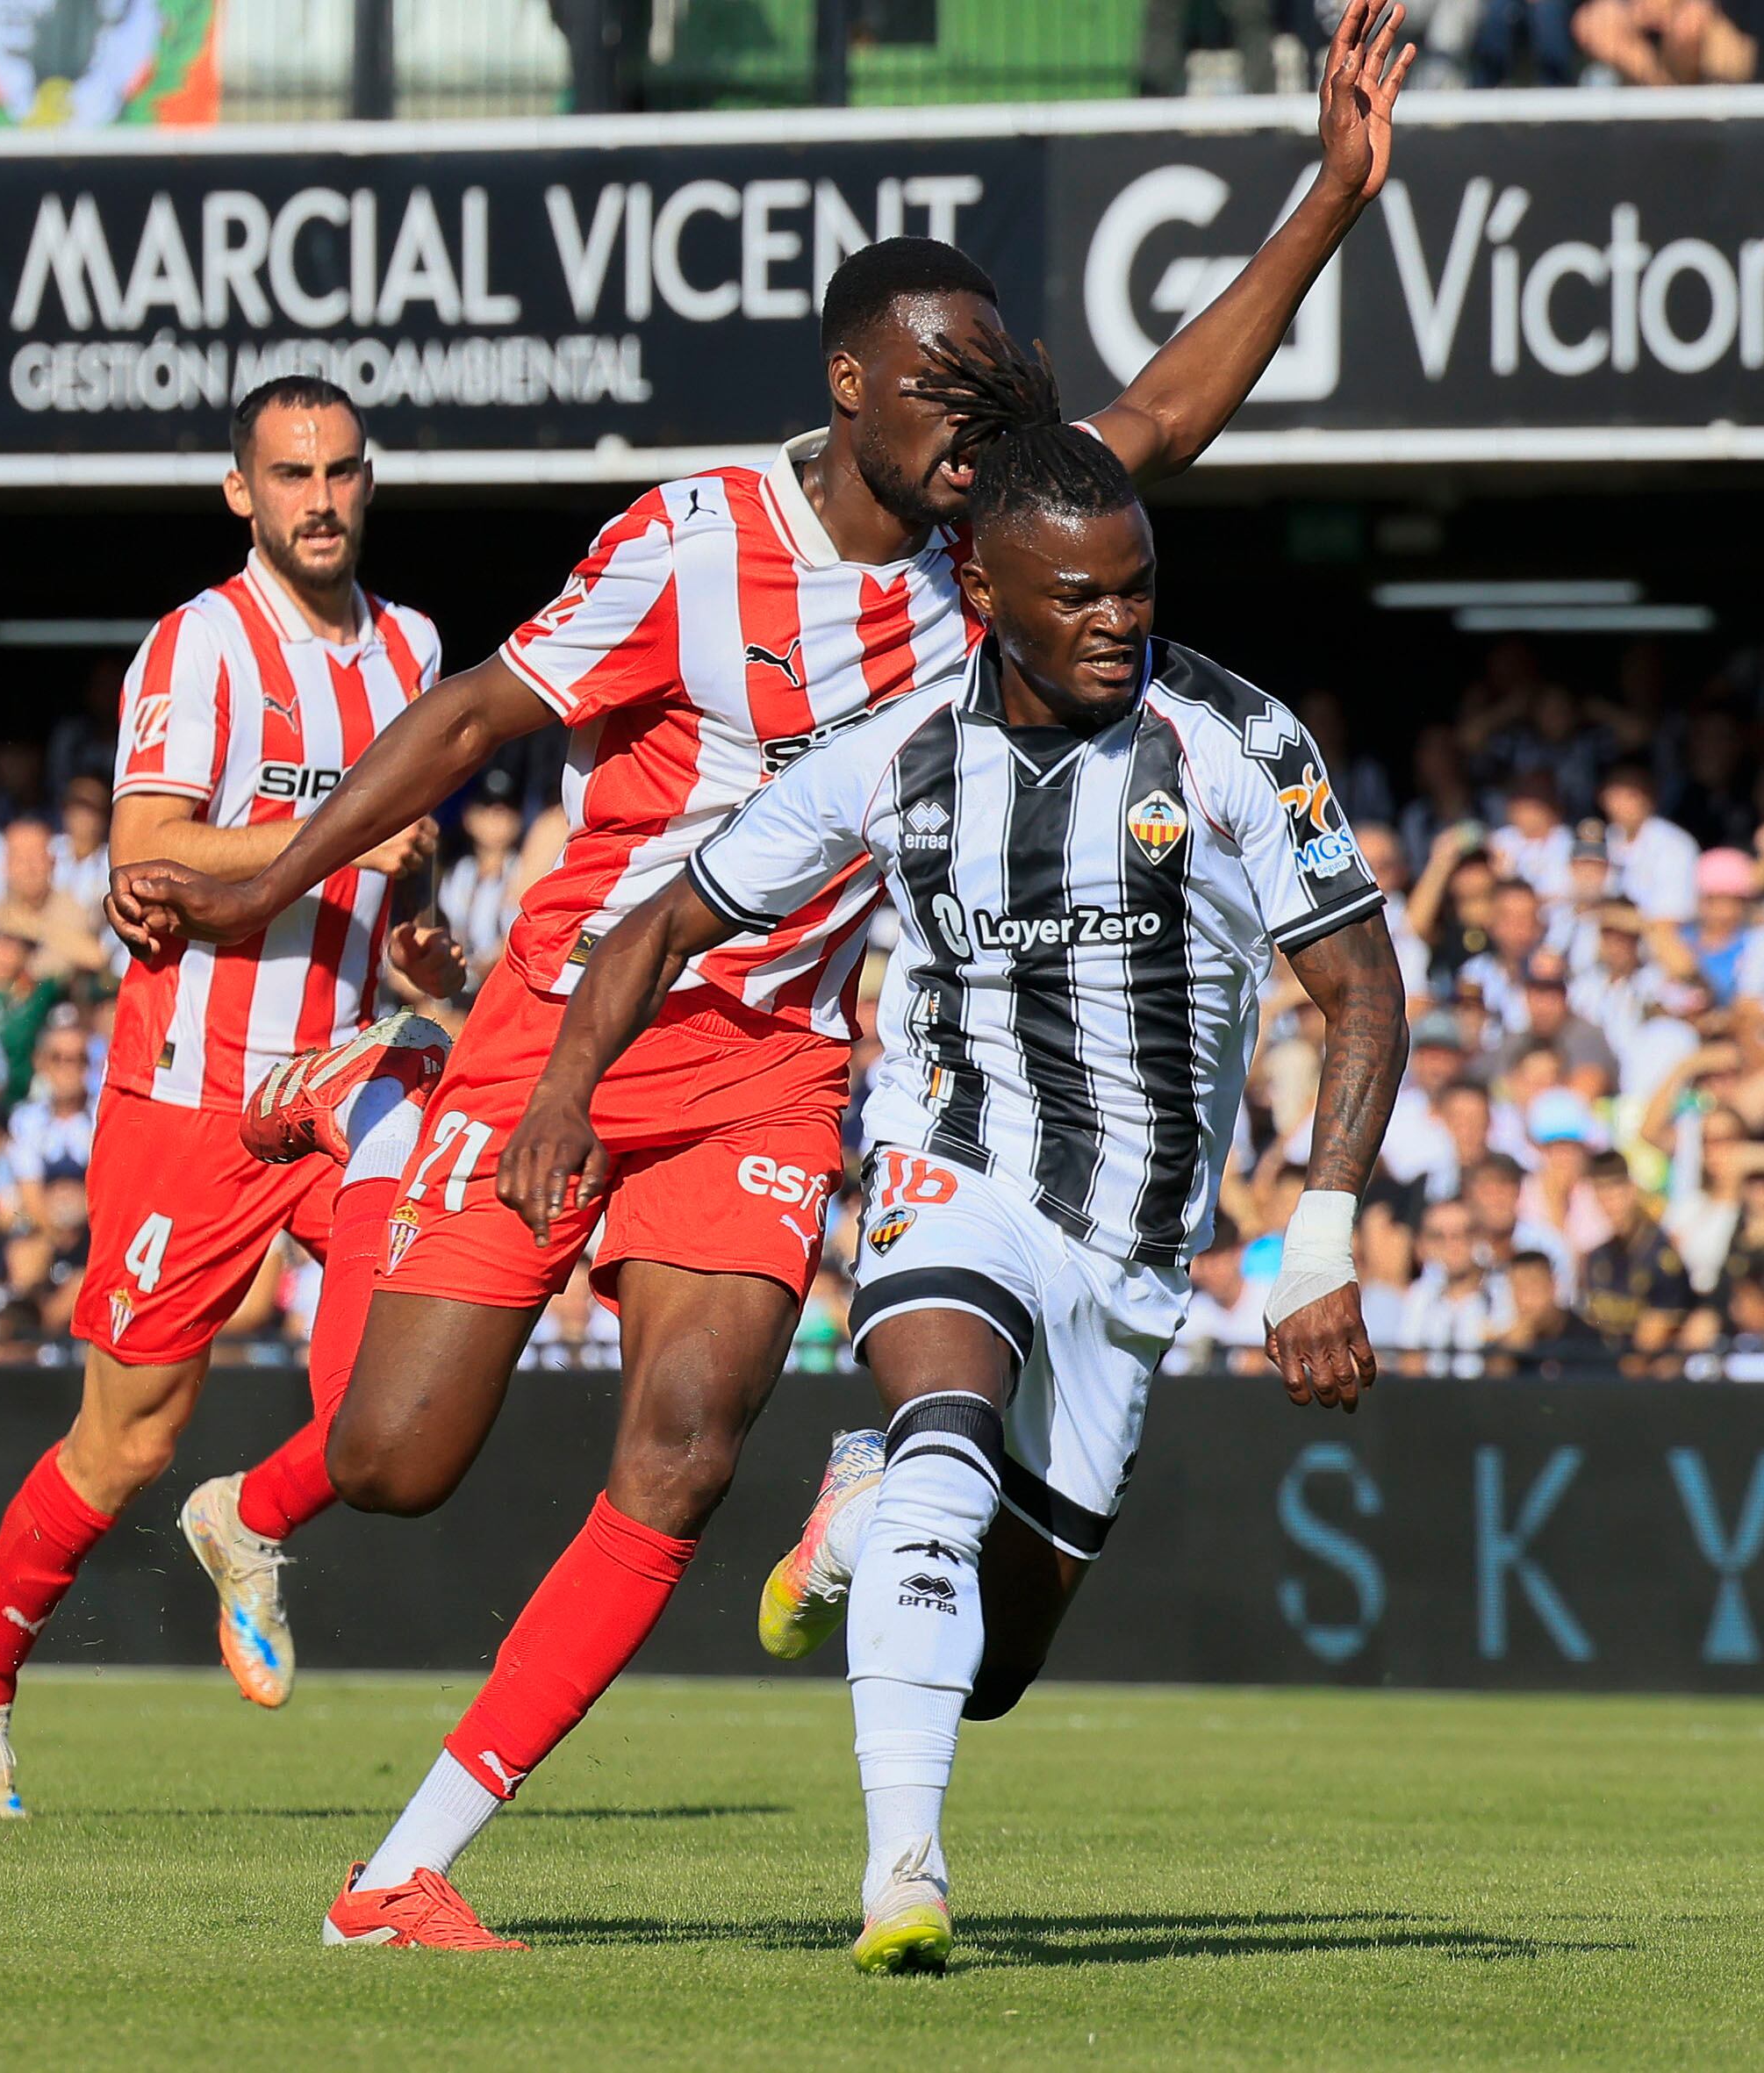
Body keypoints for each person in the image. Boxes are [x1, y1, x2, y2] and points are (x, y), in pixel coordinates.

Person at [107, 4, 1415, 1951]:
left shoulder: (997, 547)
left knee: (689, 1441)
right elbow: (474, 708)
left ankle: (403, 1869)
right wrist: (267, 881)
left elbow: (1159, 418)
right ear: (850, 386)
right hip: (576, 1015)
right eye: (942, 383)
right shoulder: (692, 541)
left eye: (991, 380)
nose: (976, 415)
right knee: (401, 1456)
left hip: (777, 1057)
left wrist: (1329, 191)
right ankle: (279, 1496)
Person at [509, 377, 1403, 1970]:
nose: (1119, 619)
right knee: (944, 1439)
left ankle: (860, 1515)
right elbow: (659, 920)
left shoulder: (1236, 737)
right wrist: (566, 1089)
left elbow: (1364, 995)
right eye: (1078, 595)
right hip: (952, 1168)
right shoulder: (893, 756)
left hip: (1135, 1247)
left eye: (1137, 584)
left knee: (985, 1656)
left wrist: (1317, 1242)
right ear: (981, 593)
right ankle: (903, 1878)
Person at [0, 374, 462, 1822]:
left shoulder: (415, 646)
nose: (321, 498)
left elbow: (401, 871)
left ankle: (254, 1510)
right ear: (243, 493)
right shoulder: (200, 647)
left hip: (346, 1064)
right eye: (291, 474)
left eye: (341, 470)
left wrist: (419, 927)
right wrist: (345, 833)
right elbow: (150, 850)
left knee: (411, 1381)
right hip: (191, 1084)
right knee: (128, 1437)